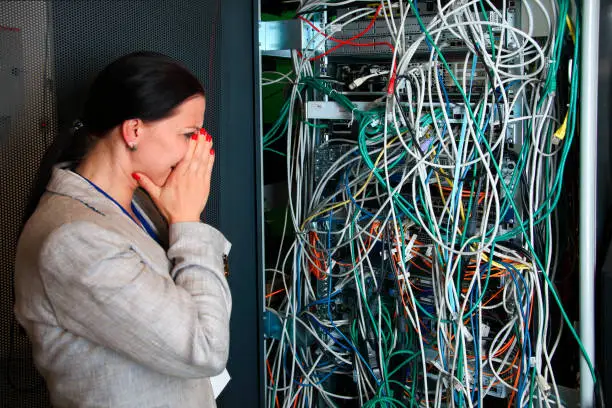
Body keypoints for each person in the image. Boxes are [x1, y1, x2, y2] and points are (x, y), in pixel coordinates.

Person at [13, 51, 231, 408]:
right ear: (133, 131)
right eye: (188, 133)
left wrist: (186, 221)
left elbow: (208, 302)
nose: (197, 149)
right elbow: (205, 348)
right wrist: (189, 223)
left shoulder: (145, 204)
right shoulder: (74, 241)